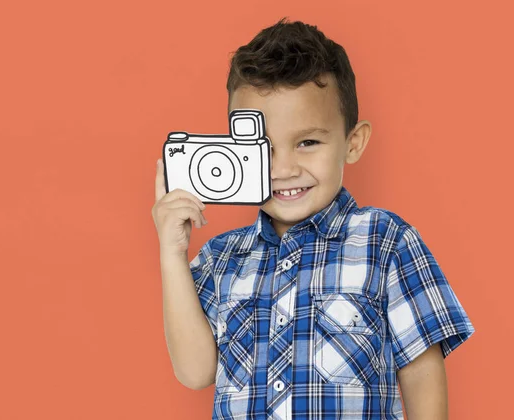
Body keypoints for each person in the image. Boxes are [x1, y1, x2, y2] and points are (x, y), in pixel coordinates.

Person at [152, 17, 475, 420]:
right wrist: (172, 251)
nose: (284, 168)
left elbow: (422, 375)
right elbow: (195, 372)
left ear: (352, 143)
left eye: (307, 142)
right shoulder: (221, 257)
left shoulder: (386, 241)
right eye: (263, 147)